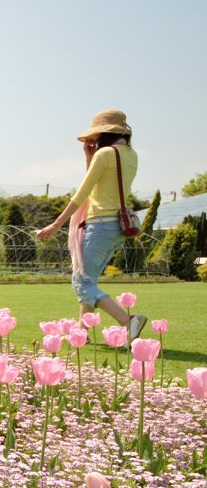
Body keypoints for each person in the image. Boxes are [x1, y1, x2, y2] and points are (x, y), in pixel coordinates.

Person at [37, 109, 146, 343]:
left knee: (81, 282)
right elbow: (102, 186)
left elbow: (83, 193)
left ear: (103, 133)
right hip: (118, 227)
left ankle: (128, 321)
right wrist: (89, 158)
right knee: (89, 280)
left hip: (100, 225)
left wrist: (56, 224)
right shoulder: (131, 155)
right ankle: (82, 333)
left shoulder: (104, 154)